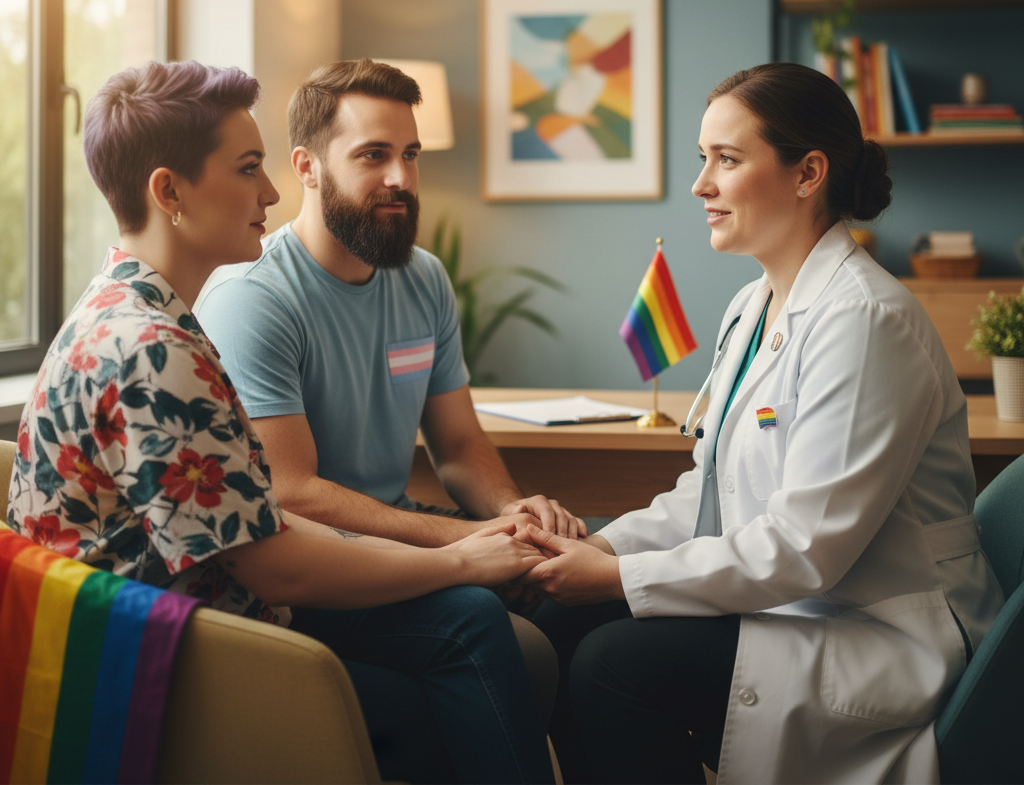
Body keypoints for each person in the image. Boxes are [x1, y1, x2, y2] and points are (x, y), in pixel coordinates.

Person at [6, 60, 555, 785]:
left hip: (188, 621)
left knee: (472, 643)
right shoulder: (151, 350)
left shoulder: (137, 313)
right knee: (458, 653)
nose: (270, 192)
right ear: (169, 192)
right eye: (247, 169)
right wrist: (461, 558)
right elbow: (272, 561)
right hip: (142, 658)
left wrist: (474, 546)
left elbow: (253, 523)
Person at [519, 62, 1005, 784]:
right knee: (558, 627)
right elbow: (707, 491)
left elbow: (807, 547)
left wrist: (617, 577)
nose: (700, 185)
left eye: (727, 159)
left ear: (808, 173)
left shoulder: (866, 320)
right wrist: (593, 548)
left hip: (880, 631)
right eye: (703, 158)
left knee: (612, 665)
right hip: (798, 603)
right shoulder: (751, 306)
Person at [195, 59, 585, 546]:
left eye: (410, 154)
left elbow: (459, 444)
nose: (401, 176)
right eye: (373, 154)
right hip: (321, 555)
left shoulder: (426, 277)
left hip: (405, 531)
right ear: (307, 167)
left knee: (577, 556)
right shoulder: (251, 299)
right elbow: (292, 492)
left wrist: (510, 511)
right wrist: (473, 540)